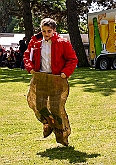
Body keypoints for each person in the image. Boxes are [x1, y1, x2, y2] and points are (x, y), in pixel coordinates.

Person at [23, 18, 78, 146]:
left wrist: (66, 72)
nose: (46, 34)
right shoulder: (35, 42)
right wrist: (30, 68)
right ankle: (47, 123)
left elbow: (72, 59)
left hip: (57, 79)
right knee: (40, 106)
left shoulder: (63, 43)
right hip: (41, 78)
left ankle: (62, 135)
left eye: (49, 31)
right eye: (43, 31)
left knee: (55, 108)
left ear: (54, 30)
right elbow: (27, 56)